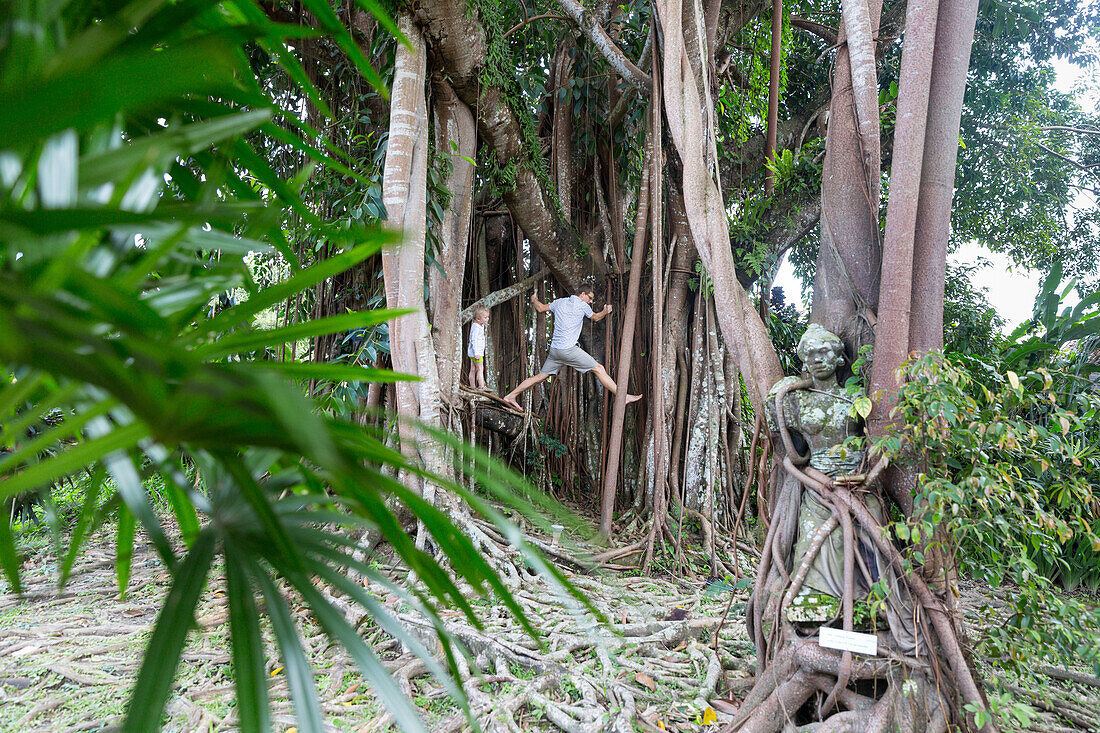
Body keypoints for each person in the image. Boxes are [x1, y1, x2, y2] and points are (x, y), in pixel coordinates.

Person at [502, 284, 642, 411]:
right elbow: (596, 317)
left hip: (555, 351)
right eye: (590, 298)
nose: (591, 301)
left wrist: (533, 299)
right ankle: (623, 397)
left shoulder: (559, 302)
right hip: (568, 350)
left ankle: (511, 395)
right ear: (582, 294)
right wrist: (606, 311)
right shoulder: (582, 306)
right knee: (599, 369)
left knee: (540, 377)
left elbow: (540, 308)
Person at [467, 305, 490, 390]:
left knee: (473, 368)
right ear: (478, 319)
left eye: (487, 317)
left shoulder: (478, 325)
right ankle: (481, 386)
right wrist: (477, 352)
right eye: (485, 317)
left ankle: (472, 386)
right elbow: (474, 340)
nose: (487, 319)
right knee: (480, 368)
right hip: (476, 353)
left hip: (473, 352)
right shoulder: (476, 327)